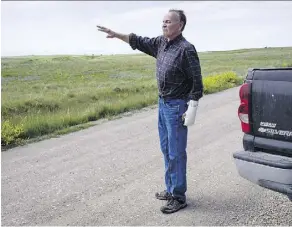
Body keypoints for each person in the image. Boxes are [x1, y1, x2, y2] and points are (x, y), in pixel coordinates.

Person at [97, 9, 203, 214]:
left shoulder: (186, 49)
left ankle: (179, 196)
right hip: (163, 104)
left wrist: (192, 108)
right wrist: (117, 34)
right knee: (166, 149)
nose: (164, 25)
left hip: (177, 106)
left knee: (176, 152)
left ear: (180, 25)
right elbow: (139, 41)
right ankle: (171, 189)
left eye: (168, 22)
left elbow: (197, 83)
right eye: (162, 22)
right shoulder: (161, 43)